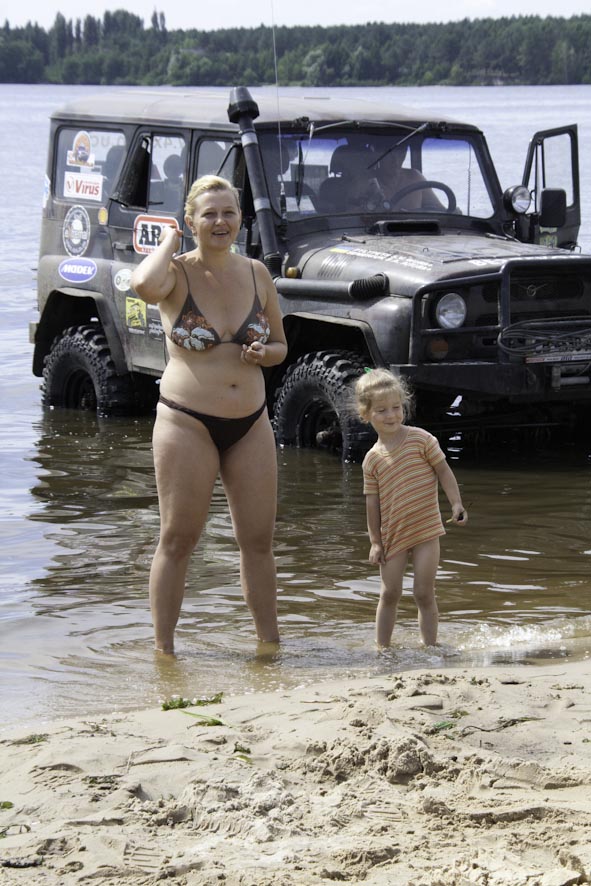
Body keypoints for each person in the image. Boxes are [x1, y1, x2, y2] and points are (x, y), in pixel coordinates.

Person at [131, 175, 288, 654]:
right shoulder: (175, 273)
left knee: (258, 541)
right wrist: (171, 240)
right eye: (209, 214)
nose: (221, 222)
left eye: (229, 213)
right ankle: (164, 655)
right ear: (191, 220)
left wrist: (265, 353)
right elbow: (142, 285)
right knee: (178, 538)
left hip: (251, 423)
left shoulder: (257, 273)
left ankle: (270, 648)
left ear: (240, 218)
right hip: (187, 421)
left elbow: (281, 345)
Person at [354, 369, 467, 648]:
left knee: (423, 593)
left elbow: (443, 471)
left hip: (426, 530)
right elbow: (372, 503)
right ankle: (382, 649)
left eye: (396, 407)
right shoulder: (372, 460)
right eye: (382, 410)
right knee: (389, 593)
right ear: (365, 414)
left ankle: (430, 647)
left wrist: (456, 503)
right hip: (393, 536)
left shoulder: (421, 440)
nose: (391, 415)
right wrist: (375, 542)